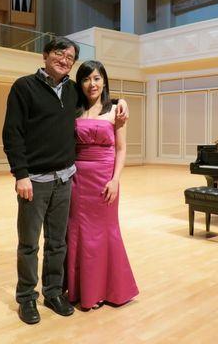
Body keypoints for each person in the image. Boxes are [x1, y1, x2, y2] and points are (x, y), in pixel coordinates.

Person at [2, 37, 128, 325]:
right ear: (45, 55)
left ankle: (53, 291)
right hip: (34, 179)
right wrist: (21, 174)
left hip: (67, 179)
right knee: (29, 244)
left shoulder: (72, 91)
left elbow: (98, 94)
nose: (64, 60)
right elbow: (12, 134)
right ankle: (26, 298)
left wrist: (123, 102)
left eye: (70, 57)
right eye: (59, 53)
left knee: (59, 242)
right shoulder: (24, 87)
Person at [66, 60, 139, 310]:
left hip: (105, 180)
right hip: (77, 180)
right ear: (80, 83)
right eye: (86, 79)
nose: (92, 84)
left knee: (105, 232)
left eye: (96, 78)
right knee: (78, 232)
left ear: (104, 81)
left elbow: (121, 148)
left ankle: (105, 289)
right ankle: (83, 290)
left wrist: (116, 179)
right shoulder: (74, 110)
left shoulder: (116, 109)